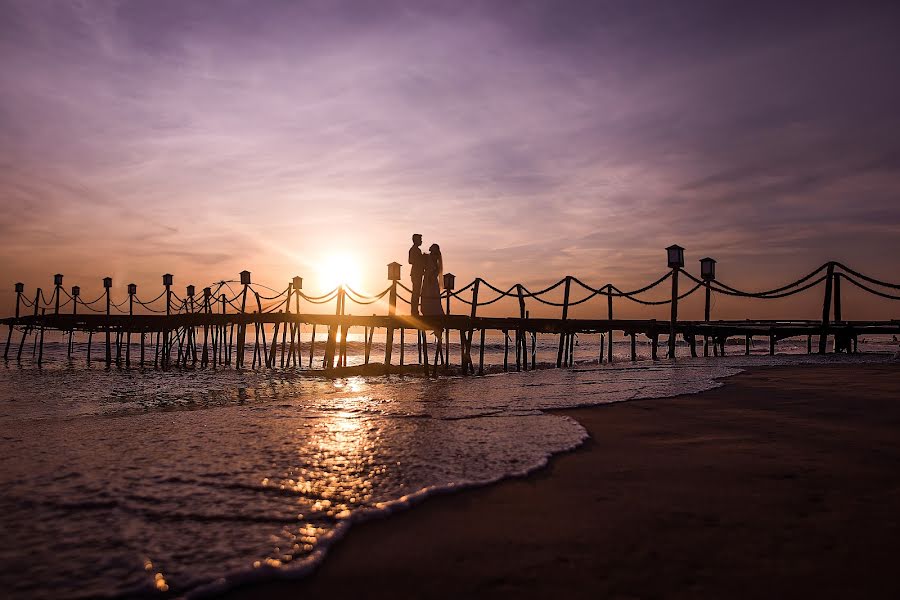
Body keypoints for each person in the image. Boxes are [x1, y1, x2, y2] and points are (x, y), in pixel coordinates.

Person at [421, 243, 445, 333]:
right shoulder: (430, 257)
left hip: (430, 279)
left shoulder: (433, 257)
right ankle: (429, 311)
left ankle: (430, 312)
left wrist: (431, 275)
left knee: (430, 293)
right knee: (428, 293)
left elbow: (436, 269)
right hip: (428, 278)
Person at [408, 234, 425, 315]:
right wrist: (421, 259)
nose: (421, 241)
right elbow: (410, 261)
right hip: (416, 273)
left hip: (418, 273)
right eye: (420, 239)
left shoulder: (417, 250)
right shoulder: (414, 250)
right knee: (416, 292)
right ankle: (414, 311)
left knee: (417, 292)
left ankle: (415, 310)